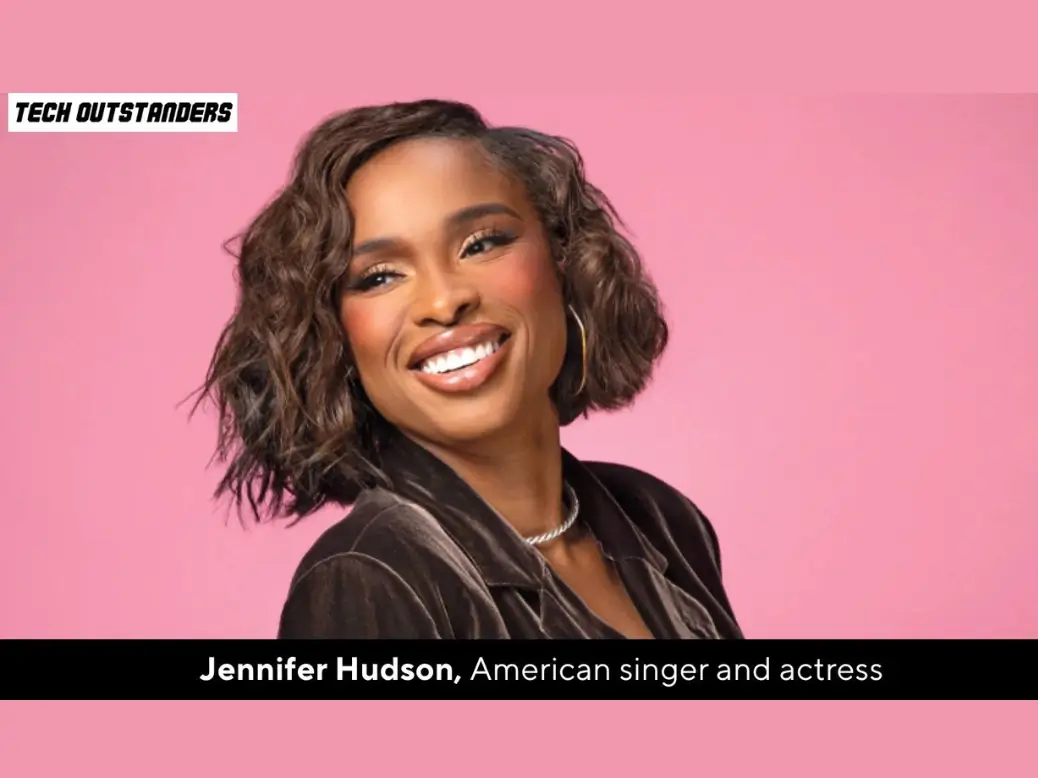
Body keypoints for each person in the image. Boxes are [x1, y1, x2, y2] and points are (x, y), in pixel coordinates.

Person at [198, 99, 742, 639]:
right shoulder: (371, 578)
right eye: (380, 276)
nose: (443, 300)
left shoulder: (660, 520)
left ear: (565, 260)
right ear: (334, 337)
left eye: (480, 243)